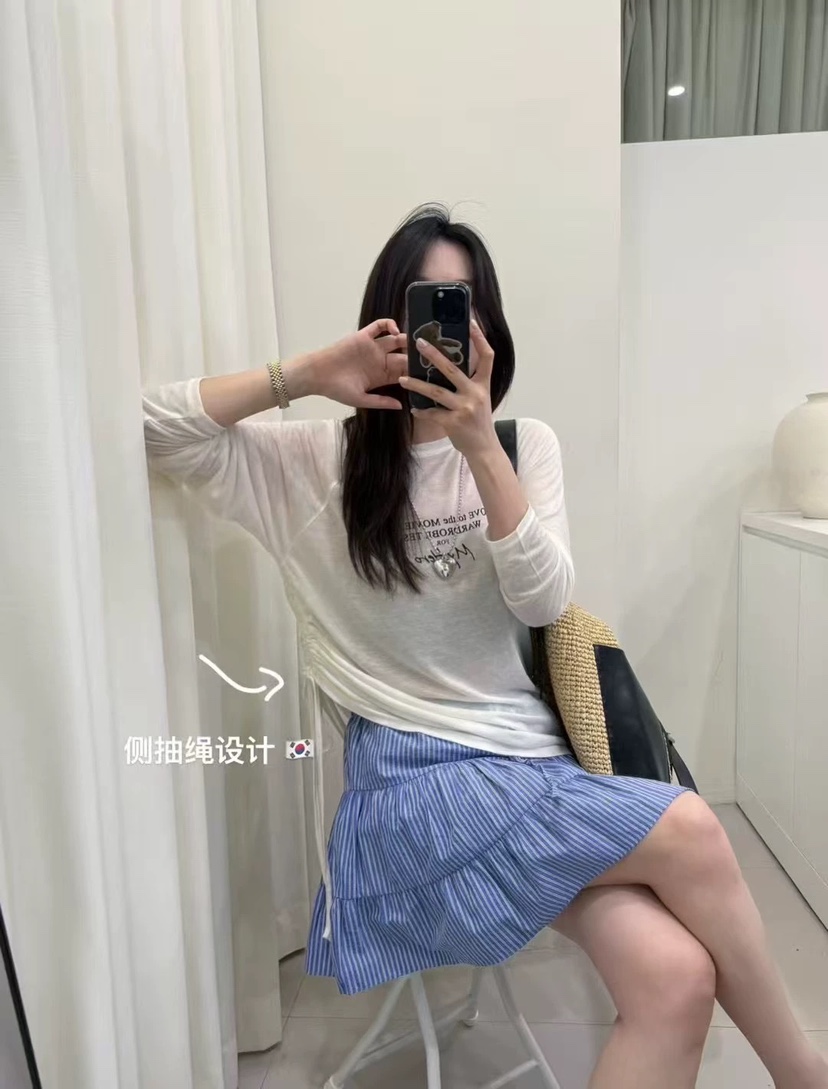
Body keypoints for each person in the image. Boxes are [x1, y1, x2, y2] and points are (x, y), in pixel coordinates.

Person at [142, 205, 827, 1089]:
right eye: (423, 304)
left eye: (460, 305)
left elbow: (544, 600)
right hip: (410, 790)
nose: (443, 331)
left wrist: (476, 447)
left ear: (487, 329)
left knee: (677, 978)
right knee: (691, 826)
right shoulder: (314, 464)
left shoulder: (519, 446)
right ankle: (804, 1074)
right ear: (383, 322)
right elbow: (158, 426)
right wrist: (308, 373)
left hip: (529, 770)